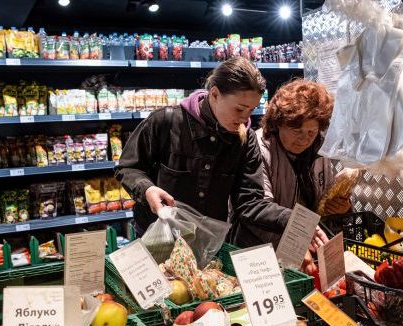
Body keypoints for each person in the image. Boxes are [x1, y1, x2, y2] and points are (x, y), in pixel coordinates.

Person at [116, 57, 327, 252]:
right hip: (156, 239)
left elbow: (249, 202)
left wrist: (294, 220)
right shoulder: (166, 121)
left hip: (206, 247)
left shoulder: (246, 140)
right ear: (215, 94)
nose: (245, 118)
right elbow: (128, 167)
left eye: (251, 110)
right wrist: (147, 189)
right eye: (239, 109)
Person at [231, 79, 351, 249]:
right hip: (261, 252)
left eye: (312, 132)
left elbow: (325, 204)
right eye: (297, 131)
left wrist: (342, 209)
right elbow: (258, 210)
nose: (304, 139)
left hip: (306, 247)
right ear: (278, 123)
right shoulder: (258, 148)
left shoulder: (319, 152)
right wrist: (296, 243)